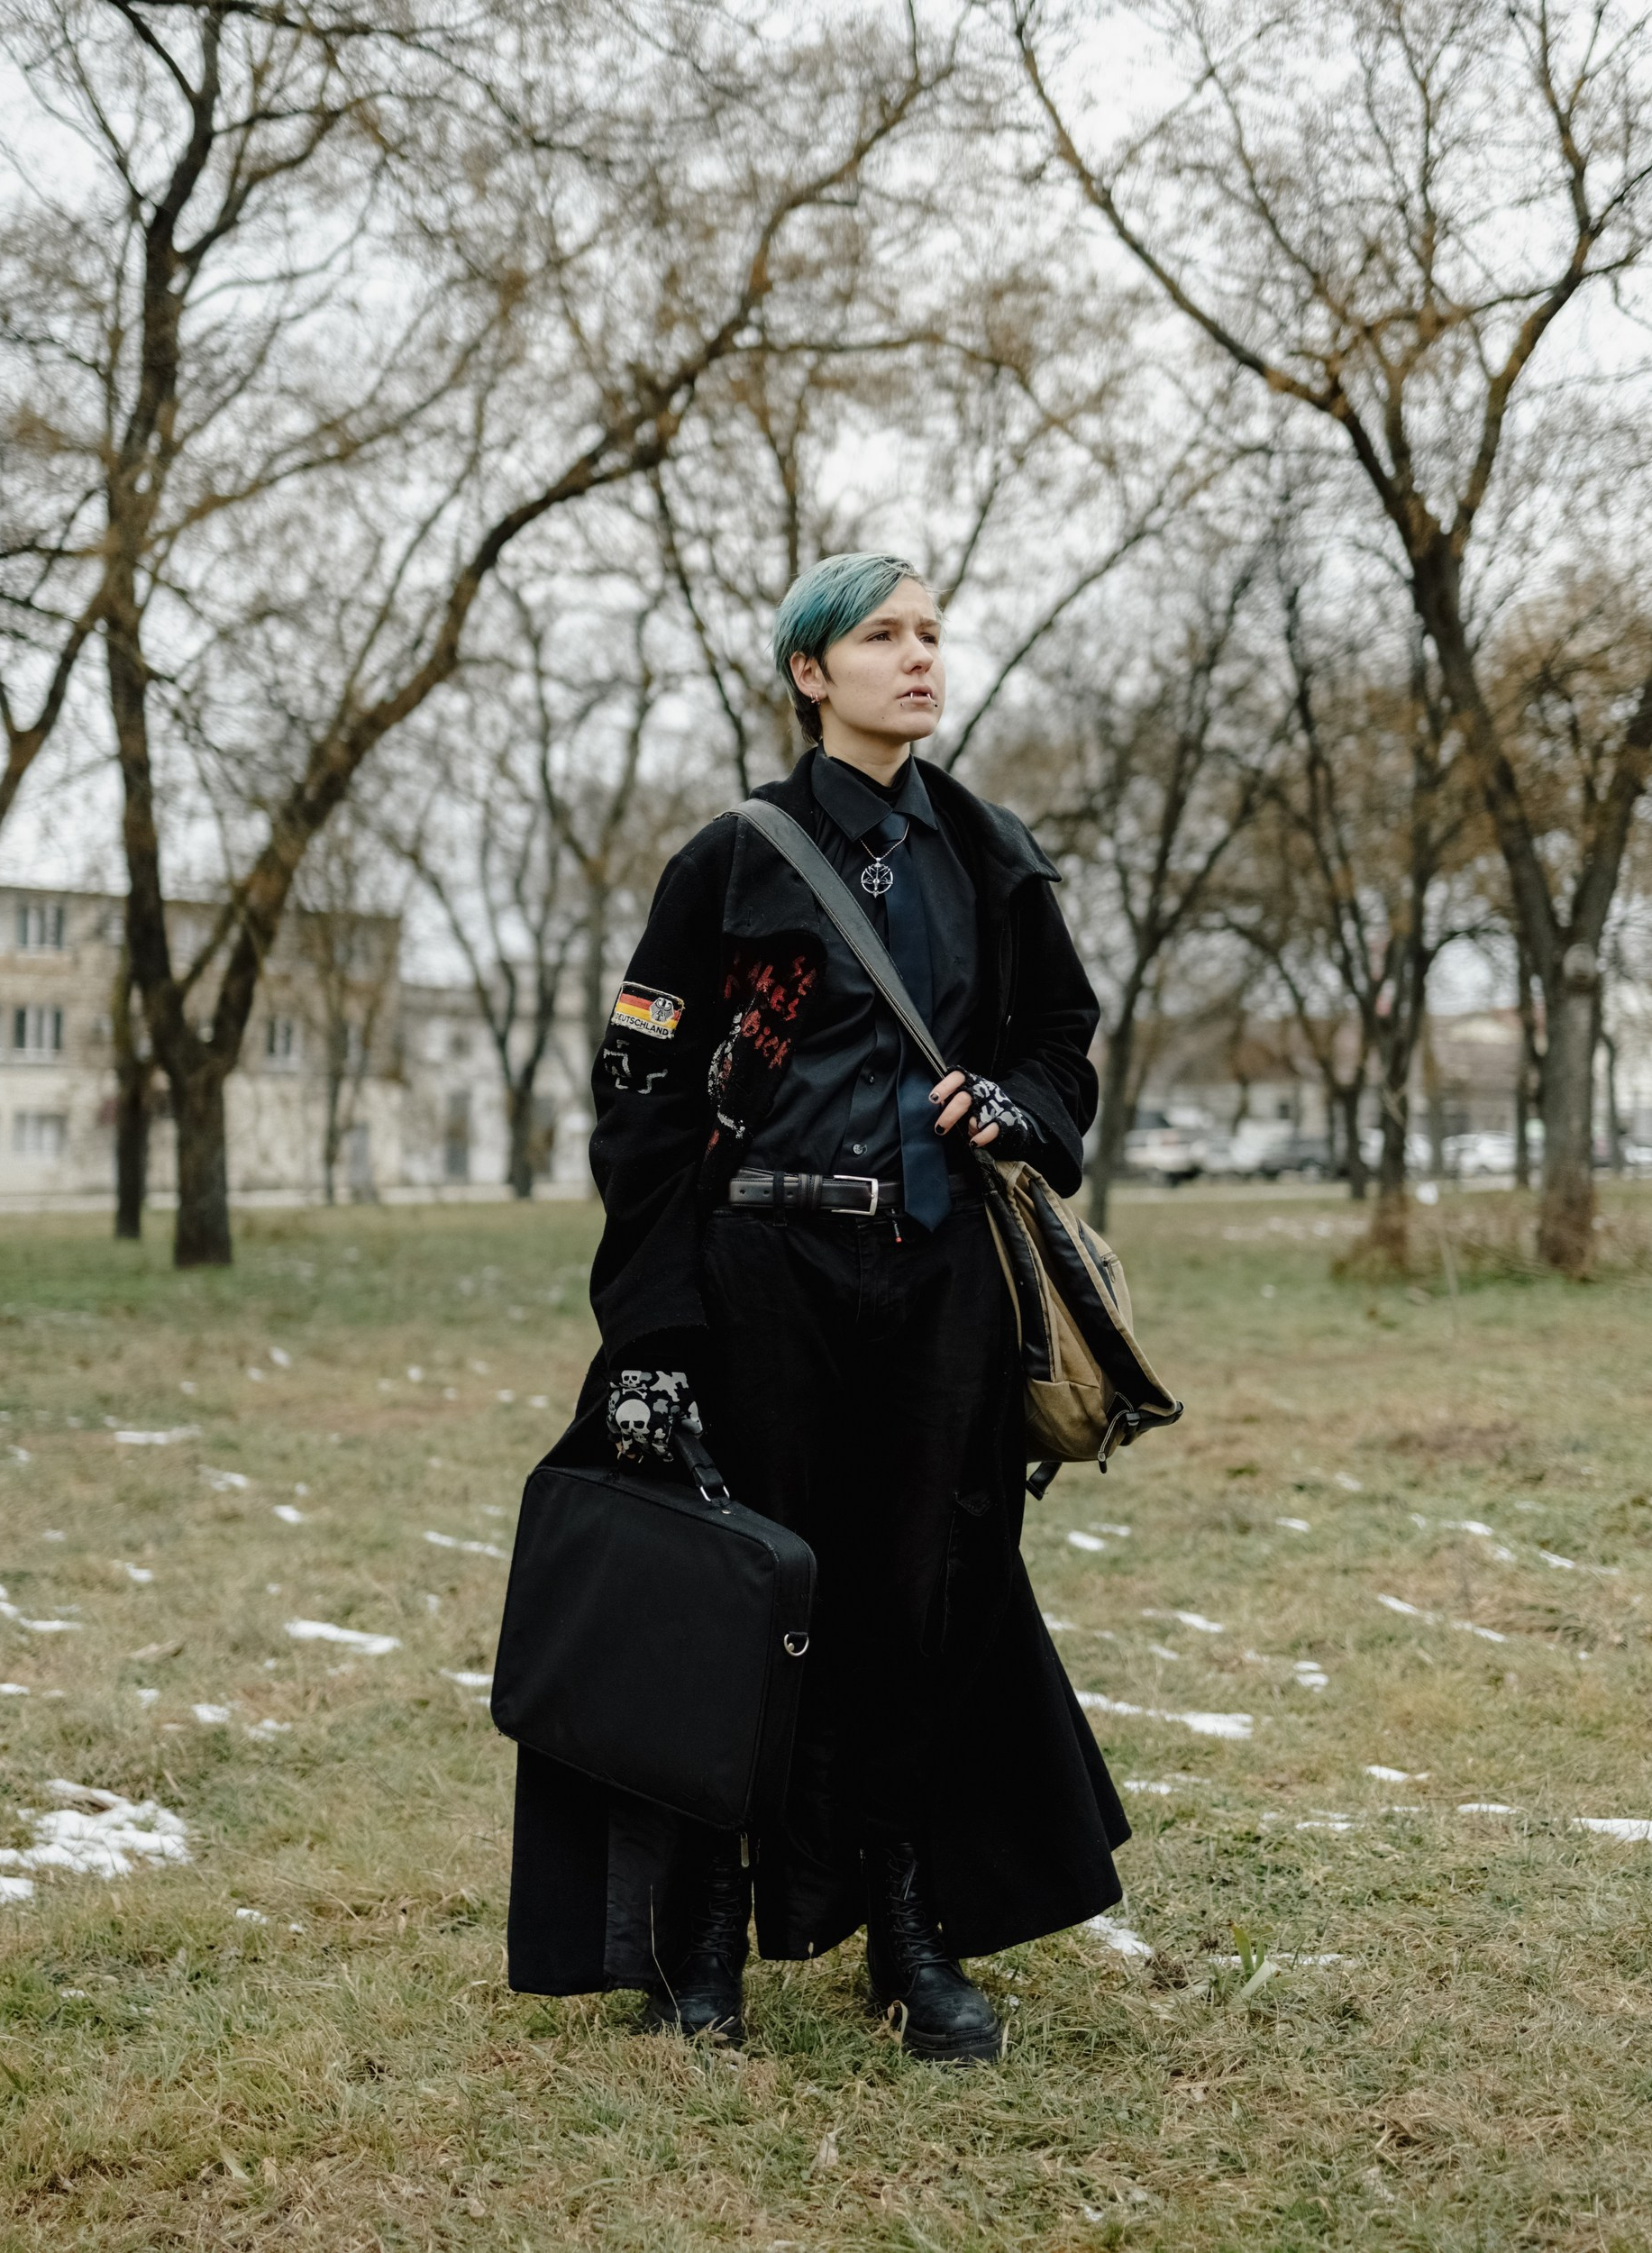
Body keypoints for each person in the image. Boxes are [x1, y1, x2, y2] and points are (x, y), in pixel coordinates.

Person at [501, 552, 1128, 2064]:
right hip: (756, 1281)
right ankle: (702, 1940)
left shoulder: (989, 854)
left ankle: (910, 1934)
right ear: (809, 673)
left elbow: (1063, 1048)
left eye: (931, 634)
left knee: (923, 1603)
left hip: (937, 1288)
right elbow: (639, 1107)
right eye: (882, 638)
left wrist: (1016, 1108)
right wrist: (650, 1337)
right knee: (741, 1607)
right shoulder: (730, 860)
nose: (919, 659)